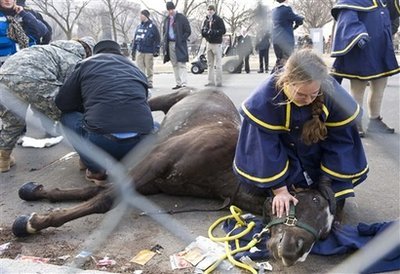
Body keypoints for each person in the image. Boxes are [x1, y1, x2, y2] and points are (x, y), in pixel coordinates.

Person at [233, 49, 368, 218]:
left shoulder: (331, 92)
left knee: (334, 196)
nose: (309, 100)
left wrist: (327, 179)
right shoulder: (265, 99)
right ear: (286, 81)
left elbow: (341, 140)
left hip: (318, 155)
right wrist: (280, 190)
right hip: (282, 158)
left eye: (314, 94)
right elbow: (264, 148)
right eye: (301, 94)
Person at [55, 40, 154, 184]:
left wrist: (85, 107)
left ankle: (96, 170)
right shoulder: (136, 69)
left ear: (96, 53)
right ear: (119, 53)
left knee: (66, 118)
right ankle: (132, 163)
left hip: (102, 140)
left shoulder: (86, 64)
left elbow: (62, 103)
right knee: (155, 126)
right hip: (140, 143)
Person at [0, 37, 95, 172]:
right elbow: (71, 93)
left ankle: (3, 159)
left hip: (4, 75)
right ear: (89, 51)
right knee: (69, 115)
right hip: (35, 77)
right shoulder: (75, 59)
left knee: (12, 121)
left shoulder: (51, 49)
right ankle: (88, 162)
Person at [330, 0, 400, 136]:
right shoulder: (353, 1)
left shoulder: (383, 2)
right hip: (361, 50)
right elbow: (347, 19)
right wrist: (358, 35)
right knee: (358, 88)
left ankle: (374, 121)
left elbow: (393, 15)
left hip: (381, 48)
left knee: (380, 85)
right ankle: (354, 122)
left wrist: (388, 30)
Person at [0, 0, 48, 65]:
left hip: (27, 64)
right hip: (3, 65)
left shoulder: (24, 14)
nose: (7, 0)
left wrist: (23, 13)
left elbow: (42, 31)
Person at [162, 1, 191, 90]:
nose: (170, 11)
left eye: (171, 9)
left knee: (181, 63)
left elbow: (188, 31)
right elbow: (164, 32)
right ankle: (178, 83)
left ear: (174, 9)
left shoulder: (181, 18)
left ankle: (184, 83)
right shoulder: (166, 20)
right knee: (174, 64)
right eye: (169, 10)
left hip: (179, 43)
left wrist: (182, 39)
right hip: (170, 43)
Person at [271, 0, 303, 72]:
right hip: (286, 40)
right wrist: (301, 18)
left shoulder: (273, 10)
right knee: (288, 61)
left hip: (276, 40)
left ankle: (274, 77)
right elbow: (297, 18)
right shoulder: (286, 9)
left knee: (280, 60)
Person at [131, 9, 160, 89]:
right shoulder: (139, 27)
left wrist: (156, 49)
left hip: (149, 51)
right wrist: (133, 50)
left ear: (145, 16)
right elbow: (135, 39)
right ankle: (142, 81)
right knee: (140, 68)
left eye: (141, 15)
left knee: (149, 67)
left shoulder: (152, 27)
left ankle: (149, 82)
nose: (140, 17)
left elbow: (157, 39)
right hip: (139, 50)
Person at [201, 4, 226, 87]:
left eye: (211, 9)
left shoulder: (218, 19)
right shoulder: (206, 20)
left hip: (217, 44)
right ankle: (210, 81)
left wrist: (214, 32)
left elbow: (223, 30)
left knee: (218, 64)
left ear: (214, 11)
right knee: (209, 64)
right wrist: (205, 32)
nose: (210, 11)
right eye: (208, 10)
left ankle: (219, 82)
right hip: (209, 43)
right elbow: (203, 30)